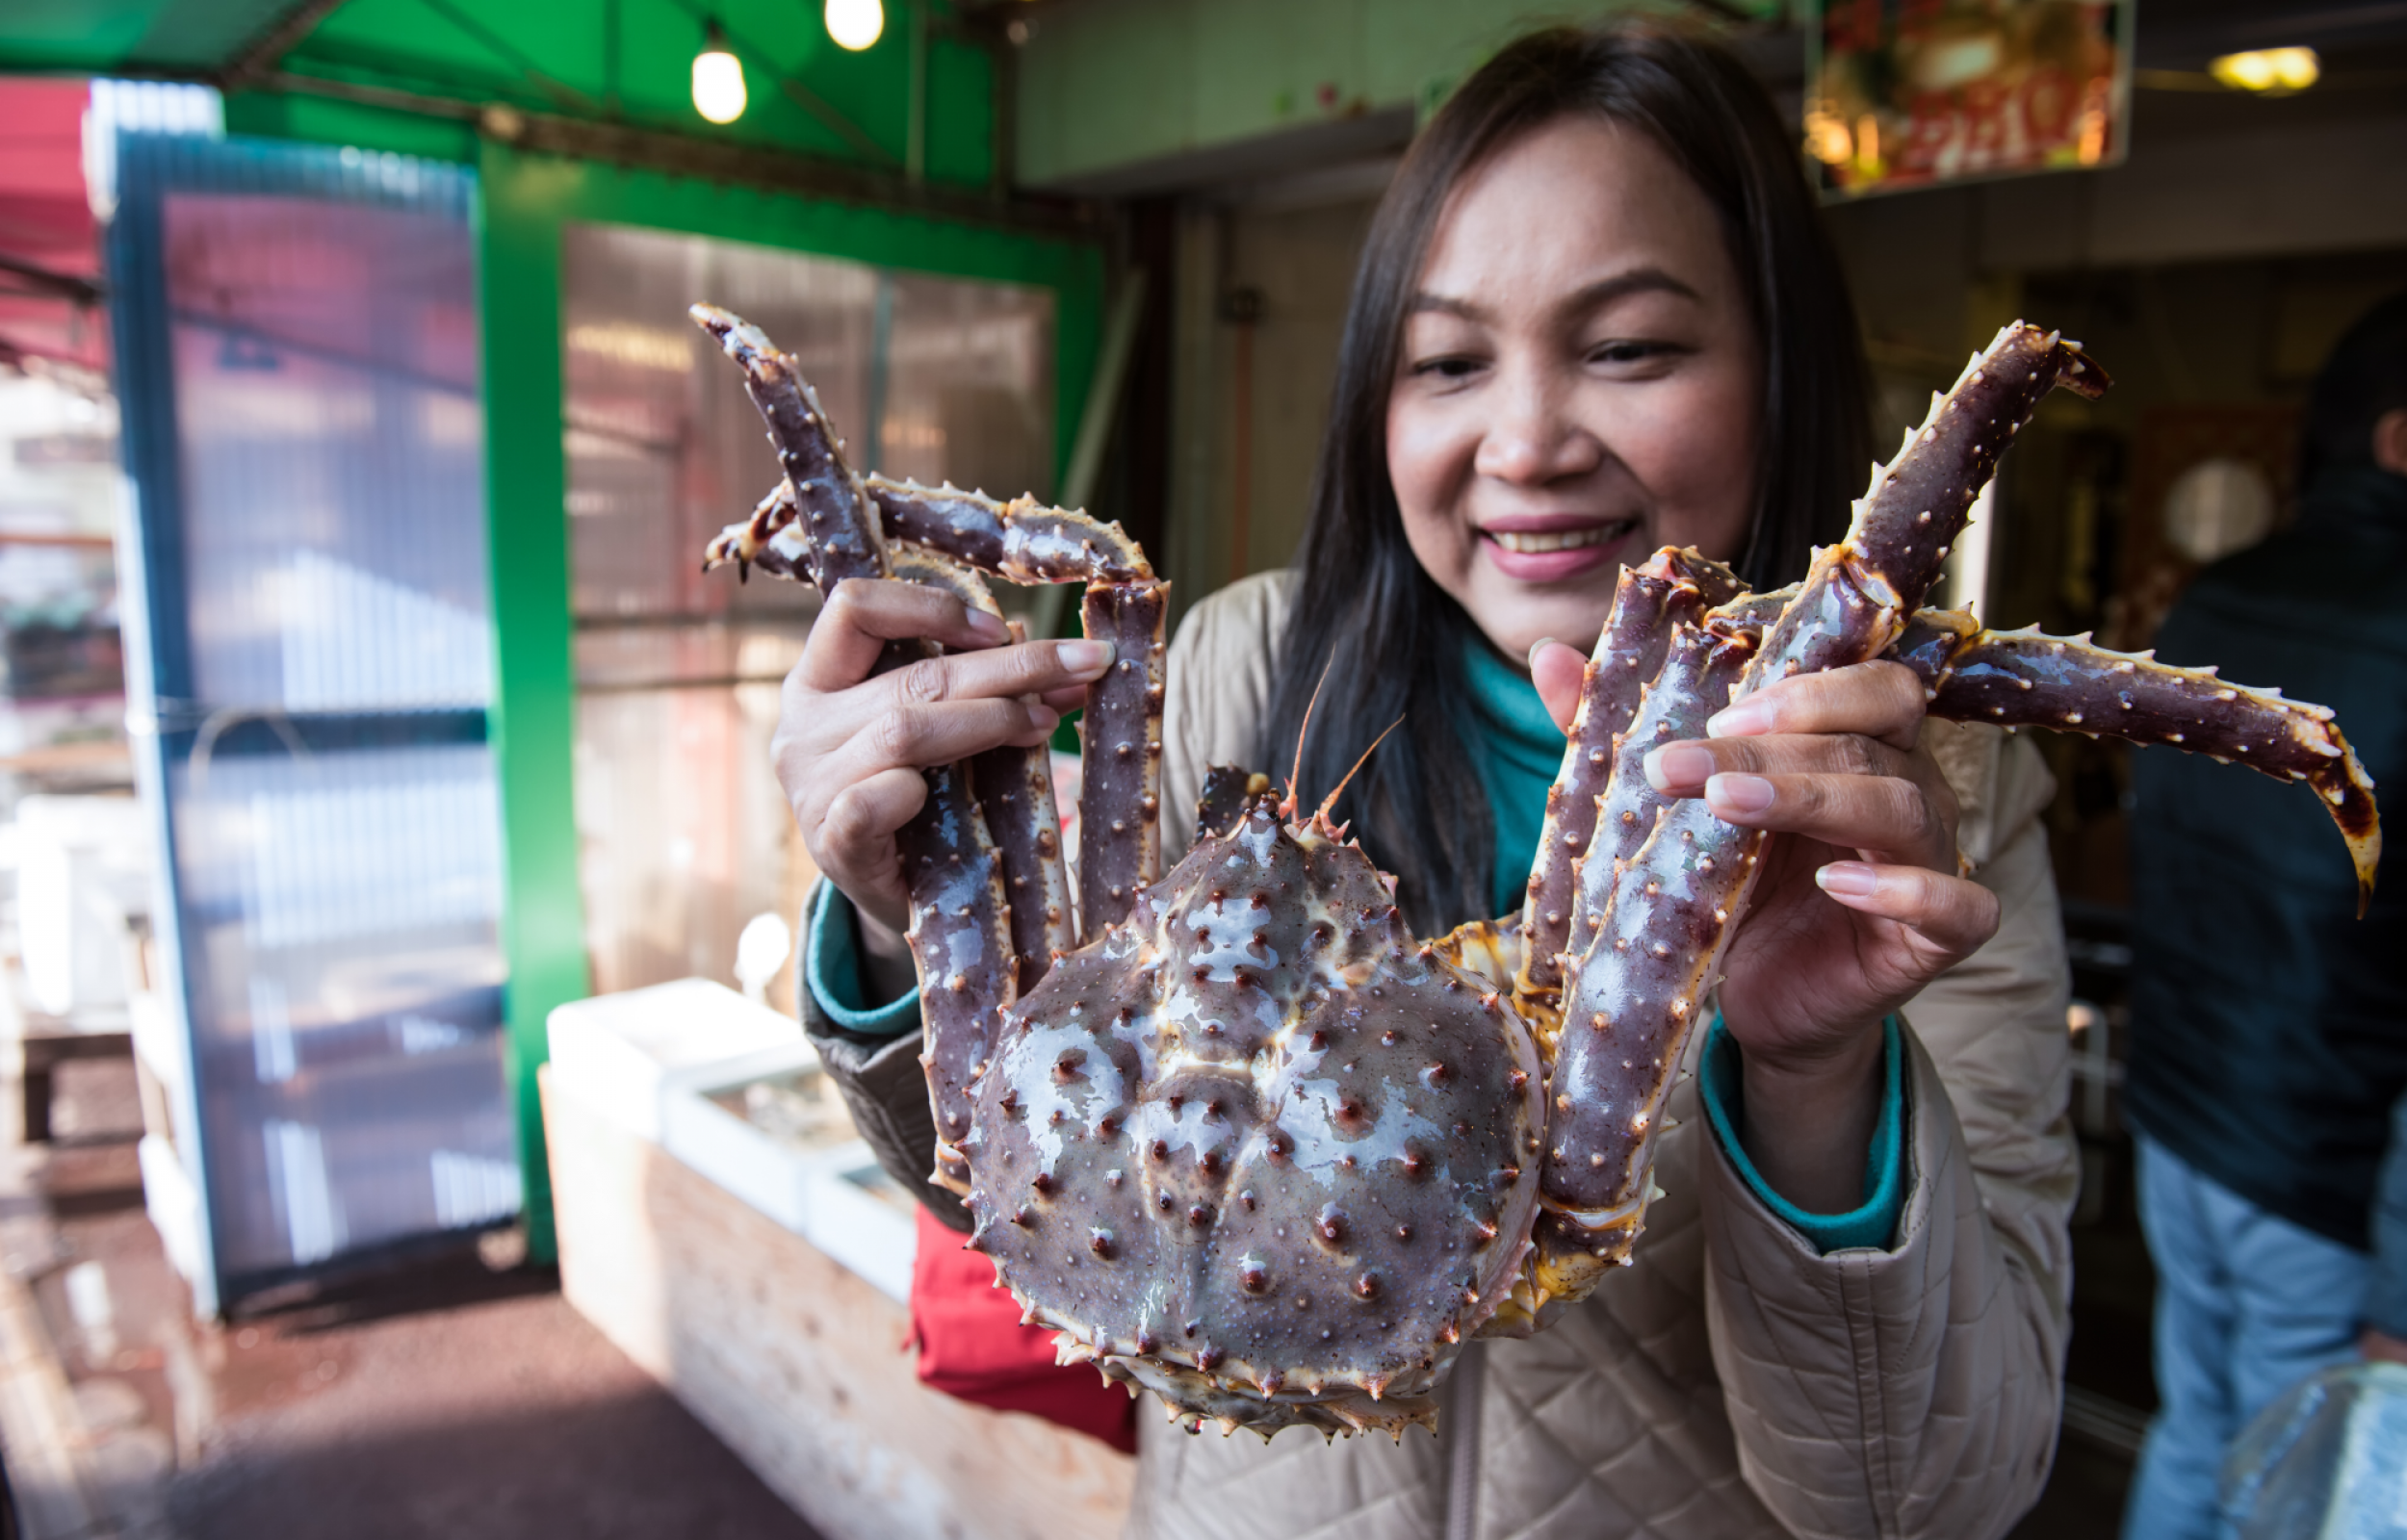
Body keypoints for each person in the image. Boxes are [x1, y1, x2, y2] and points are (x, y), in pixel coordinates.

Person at [781, 23, 2075, 1539]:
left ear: (1778, 367)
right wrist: (898, 918)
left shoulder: (1922, 815)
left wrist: (1816, 1075)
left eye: (1628, 348)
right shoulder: (1233, 667)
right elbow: (1029, 1216)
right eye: (1449, 361)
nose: (1524, 445)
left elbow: (1933, 1503)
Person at [2121, 290, 2407, 1540]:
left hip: (2180, 1114)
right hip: (2326, 1164)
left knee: (2198, 1430)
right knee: (2304, 1483)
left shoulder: (2211, 605)